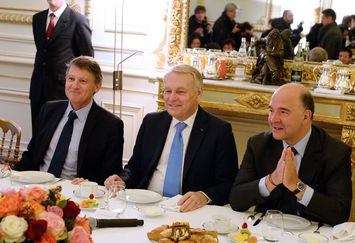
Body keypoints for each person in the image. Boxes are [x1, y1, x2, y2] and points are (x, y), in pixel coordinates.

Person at [104, 64, 238, 212]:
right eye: (167, 91)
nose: (172, 98)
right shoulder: (152, 122)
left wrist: (203, 195)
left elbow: (228, 184)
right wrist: (122, 180)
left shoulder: (219, 130)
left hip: (189, 210)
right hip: (146, 204)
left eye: (180, 92)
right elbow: (135, 167)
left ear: (198, 93)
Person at [230, 83, 352, 226]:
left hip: (312, 235)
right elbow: (236, 199)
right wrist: (272, 180)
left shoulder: (335, 153)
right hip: (266, 230)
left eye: (283, 112)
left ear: (306, 116)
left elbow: (340, 214)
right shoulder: (259, 144)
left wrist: (297, 185)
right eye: (271, 110)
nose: (273, 119)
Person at [14, 56, 124, 185]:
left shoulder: (110, 125)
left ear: (97, 87)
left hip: (75, 194)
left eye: (82, 81)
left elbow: (110, 176)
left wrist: (89, 184)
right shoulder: (49, 110)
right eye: (71, 79)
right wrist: (12, 174)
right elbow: (32, 154)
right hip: (36, 186)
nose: (74, 86)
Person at [30, 0, 94, 136]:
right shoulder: (38, 19)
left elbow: (87, 61)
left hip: (63, 92)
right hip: (37, 90)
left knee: (59, 138)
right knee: (37, 136)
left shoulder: (78, 20)